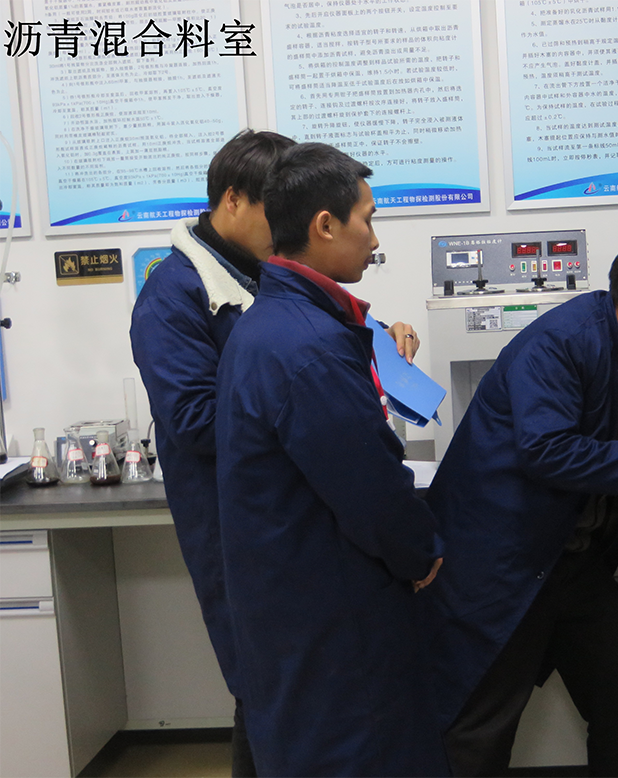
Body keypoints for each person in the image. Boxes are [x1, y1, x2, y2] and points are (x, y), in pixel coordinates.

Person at [130, 130, 421, 777]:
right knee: (266, 686)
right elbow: (197, 418)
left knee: (295, 694)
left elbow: (303, 358)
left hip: (296, 518)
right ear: (233, 200)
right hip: (238, 522)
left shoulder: (265, 277)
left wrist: (372, 346)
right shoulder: (171, 296)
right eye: (274, 205)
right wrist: (304, 400)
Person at [426, 228, 618, 778]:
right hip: (505, 565)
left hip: (573, 564)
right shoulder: (561, 344)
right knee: (480, 727)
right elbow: (546, 450)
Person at [214, 142, 448, 778]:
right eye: (367, 220)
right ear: (324, 225)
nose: (374, 239)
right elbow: (371, 488)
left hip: (294, 611)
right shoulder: (308, 348)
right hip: (335, 625)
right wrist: (421, 551)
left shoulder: (271, 325)